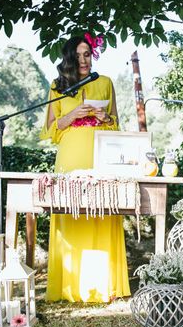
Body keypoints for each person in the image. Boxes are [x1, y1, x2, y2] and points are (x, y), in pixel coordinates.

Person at [40, 34, 130, 302]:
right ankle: (69, 285)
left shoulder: (105, 82)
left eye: (87, 54)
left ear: (93, 56)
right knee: (71, 213)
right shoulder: (58, 86)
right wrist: (71, 115)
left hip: (100, 154)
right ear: (69, 57)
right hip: (70, 155)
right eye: (78, 55)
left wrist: (105, 117)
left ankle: (103, 286)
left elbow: (116, 125)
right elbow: (50, 130)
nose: (83, 60)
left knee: (103, 210)